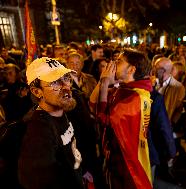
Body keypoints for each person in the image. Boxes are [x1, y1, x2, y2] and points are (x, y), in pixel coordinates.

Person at [89, 49, 153, 189]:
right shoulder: (123, 89)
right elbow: (93, 104)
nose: (113, 64)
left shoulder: (138, 97)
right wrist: (103, 81)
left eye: (119, 61)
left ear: (131, 69)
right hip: (115, 160)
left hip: (127, 165)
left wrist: (106, 84)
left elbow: (105, 120)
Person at [18, 57, 84, 189]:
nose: (66, 87)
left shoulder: (61, 109)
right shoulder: (37, 134)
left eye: (66, 78)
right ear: (37, 91)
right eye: (55, 83)